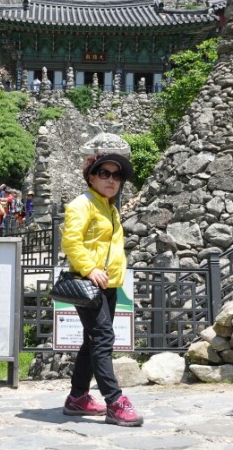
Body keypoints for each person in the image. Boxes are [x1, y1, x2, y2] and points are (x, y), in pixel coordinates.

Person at [60, 152, 142, 427]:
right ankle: (115, 402)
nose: (112, 179)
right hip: (89, 283)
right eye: (105, 173)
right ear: (91, 177)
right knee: (104, 338)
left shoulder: (109, 207)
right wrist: (89, 268)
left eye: (117, 175)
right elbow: (71, 242)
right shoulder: (81, 204)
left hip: (108, 284)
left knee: (92, 340)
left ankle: (77, 397)